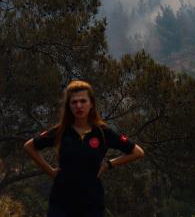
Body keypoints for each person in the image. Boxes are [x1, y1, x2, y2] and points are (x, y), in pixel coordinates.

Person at [24, 80, 144, 217]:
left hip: (92, 202)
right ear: (69, 106)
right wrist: (50, 171)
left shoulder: (103, 132)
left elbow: (137, 152)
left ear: (91, 104)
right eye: (74, 102)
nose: (78, 106)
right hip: (62, 201)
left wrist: (108, 164)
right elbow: (29, 146)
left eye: (83, 101)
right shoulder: (61, 131)